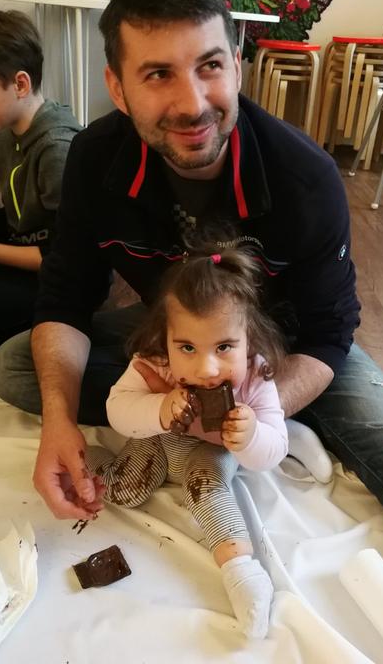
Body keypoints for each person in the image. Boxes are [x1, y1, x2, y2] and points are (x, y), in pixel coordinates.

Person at [0, 0, 383, 645]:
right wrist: (61, 421)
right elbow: (66, 296)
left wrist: (256, 408)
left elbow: (330, 332)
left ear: (238, 64)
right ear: (117, 88)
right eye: (158, 74)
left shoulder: (304, 177)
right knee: (22, 367)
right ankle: (191, 431)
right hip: (175, 338)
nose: (193, 102)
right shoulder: (94, 160)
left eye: (210, 66)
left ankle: (268, 437)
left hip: (289, 349)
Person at [87, 244, 287, 637]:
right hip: (158, 444)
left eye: (224, 347)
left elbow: (274, 450)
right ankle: (87, 458)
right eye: (187, 348)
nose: (206, 368)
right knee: (125, 490)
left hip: (209, 453)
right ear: (166, 338)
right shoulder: (155, 363)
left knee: (206, 485)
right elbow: (117, 409)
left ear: (249, 339)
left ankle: (242, 572)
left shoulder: (255, 375)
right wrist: (159, 409)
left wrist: (251, 436)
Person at [0, 7, 81, 376]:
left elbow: (64, 260)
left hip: (60, 282)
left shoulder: (57, 150)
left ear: (20, 84)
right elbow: (18, 221)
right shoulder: (6, 137)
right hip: (26, 247)